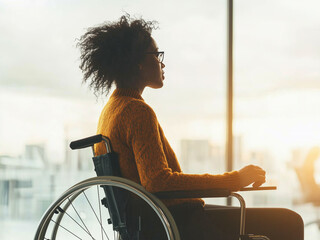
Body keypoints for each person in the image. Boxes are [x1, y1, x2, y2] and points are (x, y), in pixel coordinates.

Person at [78, 14, 303, 240]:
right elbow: (158, 181)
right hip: (173, 221)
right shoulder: (136, 111)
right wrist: (235, 179)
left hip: (147, 221)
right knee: (288, 222)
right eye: (156, 55)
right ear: (138, 63)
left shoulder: (111, 110)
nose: (162, 62)